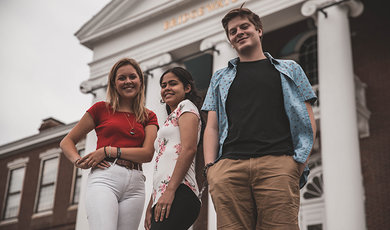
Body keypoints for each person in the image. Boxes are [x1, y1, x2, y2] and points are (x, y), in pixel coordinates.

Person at [201, 5, 317, 230]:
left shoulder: (289, 69)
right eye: (233, 31)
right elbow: (211, 127)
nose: (239, 33)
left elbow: (306, 116)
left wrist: (299, 162)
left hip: (278, 164)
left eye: (245, 27)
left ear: (259, 30)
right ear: (230, 40)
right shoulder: (219, 77)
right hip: (229, 169)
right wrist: (210, 168)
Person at [60, 58, 159, 230]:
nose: (128, 81)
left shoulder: (149, 116)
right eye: (122, 78)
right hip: (105, 178)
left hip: (135, 183)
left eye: (132, 77)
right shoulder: (100, 109)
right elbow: (67, 142)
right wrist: (78, 161)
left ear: (140, 81)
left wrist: (108, 151)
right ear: (113, 84)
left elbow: (147, 153)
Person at [144, 67, 202, 230]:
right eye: (163, 85)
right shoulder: (171, 117)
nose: (167, 88)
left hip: (180, 191)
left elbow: (189, 149)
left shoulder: (186, 107)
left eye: (173, 84)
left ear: (187, 88)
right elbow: (161, 166)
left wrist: (169, 191)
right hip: (164, 195)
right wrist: (151, 203)